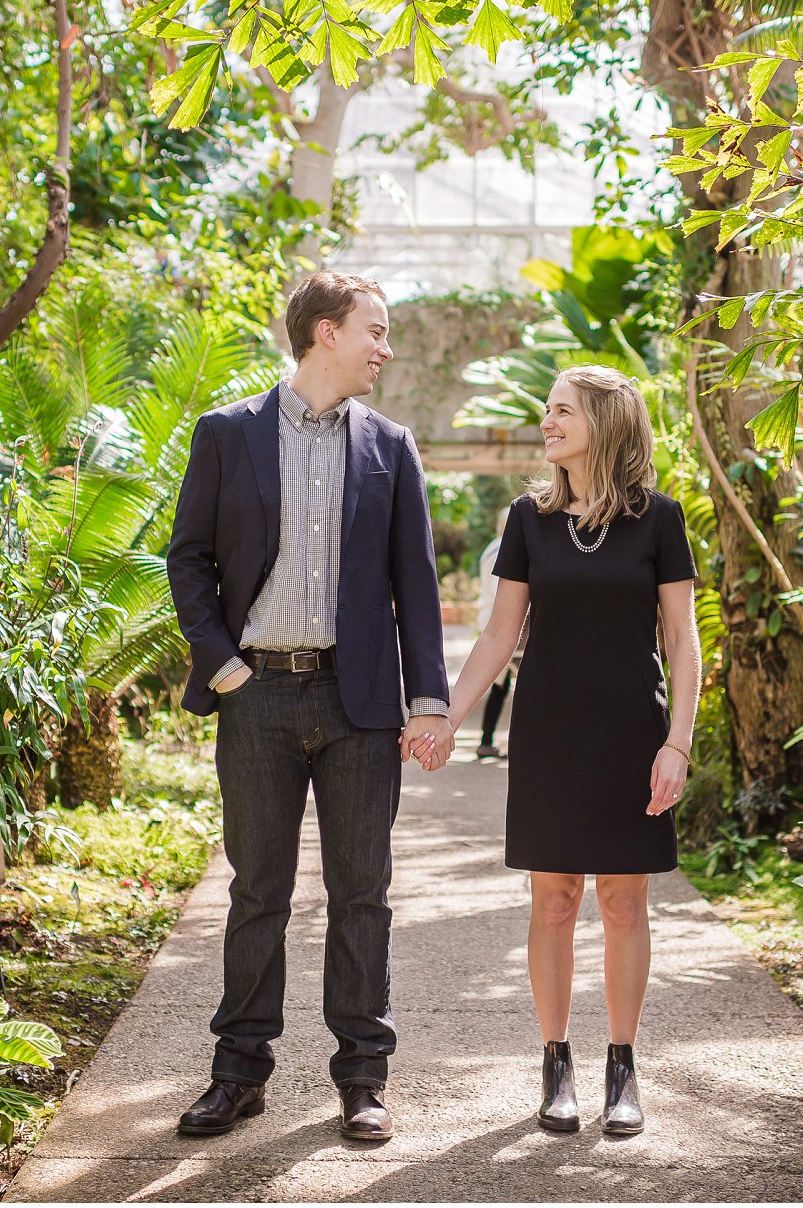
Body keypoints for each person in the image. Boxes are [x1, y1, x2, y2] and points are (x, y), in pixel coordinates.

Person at [166, 271, 456, 1143]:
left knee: (361, 893)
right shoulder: (227, 434)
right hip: (256, 693)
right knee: (258, 890)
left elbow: (418, 582)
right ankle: (239, 1074)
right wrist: (223, 669)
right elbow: (187, 561)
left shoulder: (390, 445)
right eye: (375, 327)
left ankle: (363, 1078)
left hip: (359, 700)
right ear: (326, 332)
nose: (386, 345)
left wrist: (429, 701)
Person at [418, 364, 700, 1136]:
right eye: (548, 411)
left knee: (622, 899)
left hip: (631, 735)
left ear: (607, 423)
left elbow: (681, 640)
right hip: (548, 732)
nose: (546, 423)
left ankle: (622, 1065)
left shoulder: (659, 520)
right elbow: (500, 635)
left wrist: (678, 740)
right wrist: (445, 715)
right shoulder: (528, 519)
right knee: (554, 900)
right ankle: (555, 1062)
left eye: (561, 412)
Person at [474, 508, 519, 759]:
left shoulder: (492, 547)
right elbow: (500, 592)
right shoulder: (504, 549)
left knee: (500, 686)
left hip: (492, 622)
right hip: (503, 627)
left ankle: (486, 740)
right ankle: (487, 740)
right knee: (505, 685)